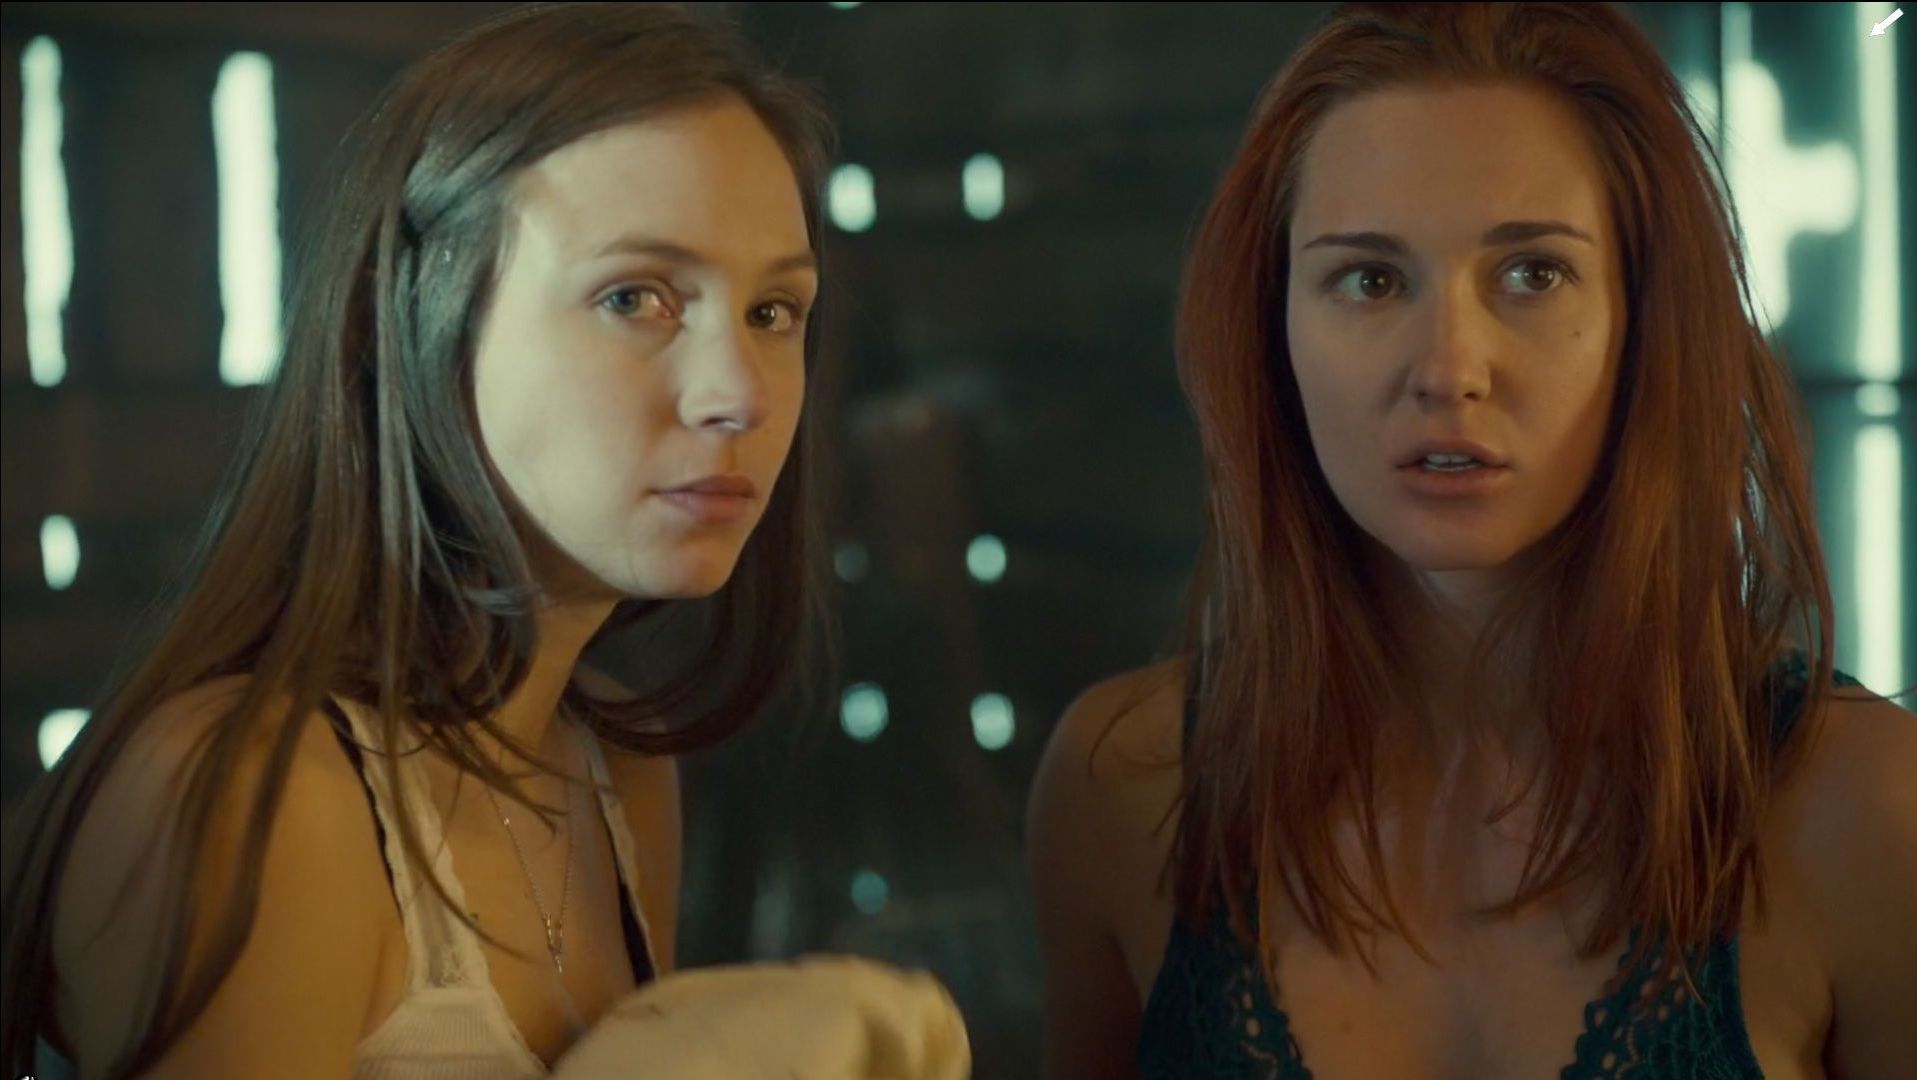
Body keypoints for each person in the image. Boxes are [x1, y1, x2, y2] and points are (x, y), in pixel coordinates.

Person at [0, 5, 955, 1077]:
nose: (738, 393)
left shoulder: (615, 773)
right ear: (424, 319)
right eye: (635, 296)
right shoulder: (258, 800)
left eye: (774, 312)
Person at [1028, 3, 1915, 1077]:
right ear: (1271, 332)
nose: (1448, 368)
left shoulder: (1863, 812)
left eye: (1532, 273)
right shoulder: (1124, 786)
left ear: (1646, 321)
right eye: (1370, 280)